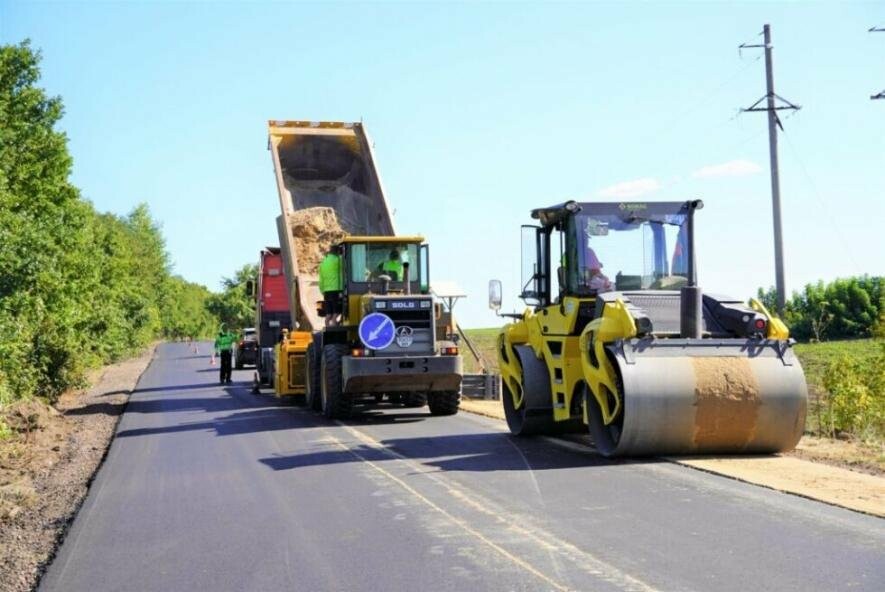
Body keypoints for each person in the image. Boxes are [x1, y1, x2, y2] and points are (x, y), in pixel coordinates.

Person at [318, 246, 343, 327]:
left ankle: (327, 327)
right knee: (337, 311)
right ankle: (334, 325)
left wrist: (322, 290)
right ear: (337, 252)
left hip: (326, 291)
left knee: (329, 313)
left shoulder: (323, 262)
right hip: (336, 289)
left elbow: (321, 279)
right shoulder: (338, 260)